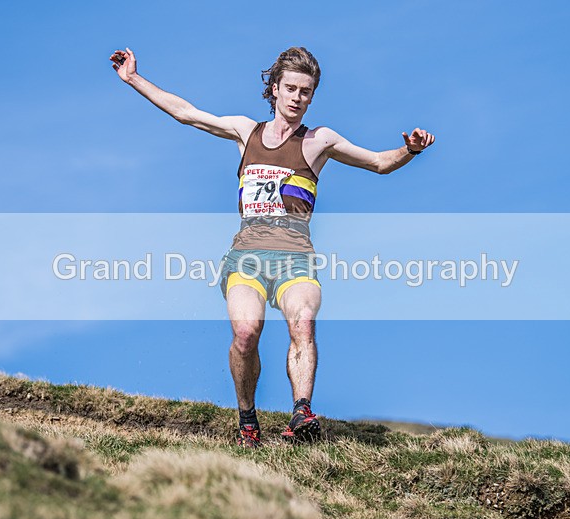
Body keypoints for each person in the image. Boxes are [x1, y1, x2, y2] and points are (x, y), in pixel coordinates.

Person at [110, 46, 434, 448]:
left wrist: (411, 150)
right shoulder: (246, 132)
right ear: (275, 89)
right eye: (292, 88)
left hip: (296, 258)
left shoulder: (319, 141)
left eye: (307, 92)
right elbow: (186, 112)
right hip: (246, 257)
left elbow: (379, 162)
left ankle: (302, 412)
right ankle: (248, 420)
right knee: (246, 333)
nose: (298, 98)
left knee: (303, 323)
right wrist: (134, 79)